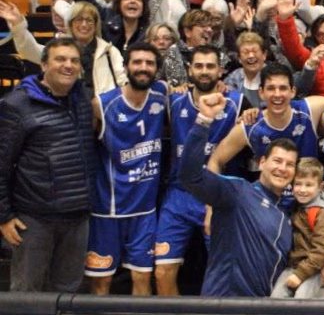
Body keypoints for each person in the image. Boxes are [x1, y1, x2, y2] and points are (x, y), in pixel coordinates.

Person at [0, 38, 98, 292]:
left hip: (77, 217)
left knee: (67, 296)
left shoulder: (83, 98)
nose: (68, 66)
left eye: (74, 61)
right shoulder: (16, 105)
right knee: (26, 296)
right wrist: (4, 217)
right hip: (34, 219)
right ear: (43, 65)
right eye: (60, 59)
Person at [181, 92, 297, 296]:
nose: (282, 168)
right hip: (223, 313)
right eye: (277, 161)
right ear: (262, 163)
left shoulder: (285, 216)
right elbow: (191, 176)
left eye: (289, 164)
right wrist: (204, 121)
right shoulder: (237, 192)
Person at [86, 42, 168, 295]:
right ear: (126, 67)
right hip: (107, 211)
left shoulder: (161, 95)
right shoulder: (102, 105)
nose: (143, 68)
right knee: (101, 282)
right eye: (137, 62)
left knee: (143, 278)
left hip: (144, 210)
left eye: (149, 63)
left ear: (156, 69)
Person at [154, 45, 238, 296]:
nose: (204, 71)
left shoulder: (236, 104)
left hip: (216, 196)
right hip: (177, 196)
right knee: (162, 272)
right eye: (198, 66)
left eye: (210, 66)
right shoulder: (173, 100)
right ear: (189, 70)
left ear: (220, 71)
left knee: (224, 273)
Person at [270, 159, 324, 299]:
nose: (302, 190)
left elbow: (322, 250)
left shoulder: (322, 213)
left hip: (315, 269)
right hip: (294, 266)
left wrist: (299, 275)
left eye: (308, 185)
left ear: (320, 187)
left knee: (301, 300)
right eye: (298, 184)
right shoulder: (295, 207)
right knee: (276, 298)